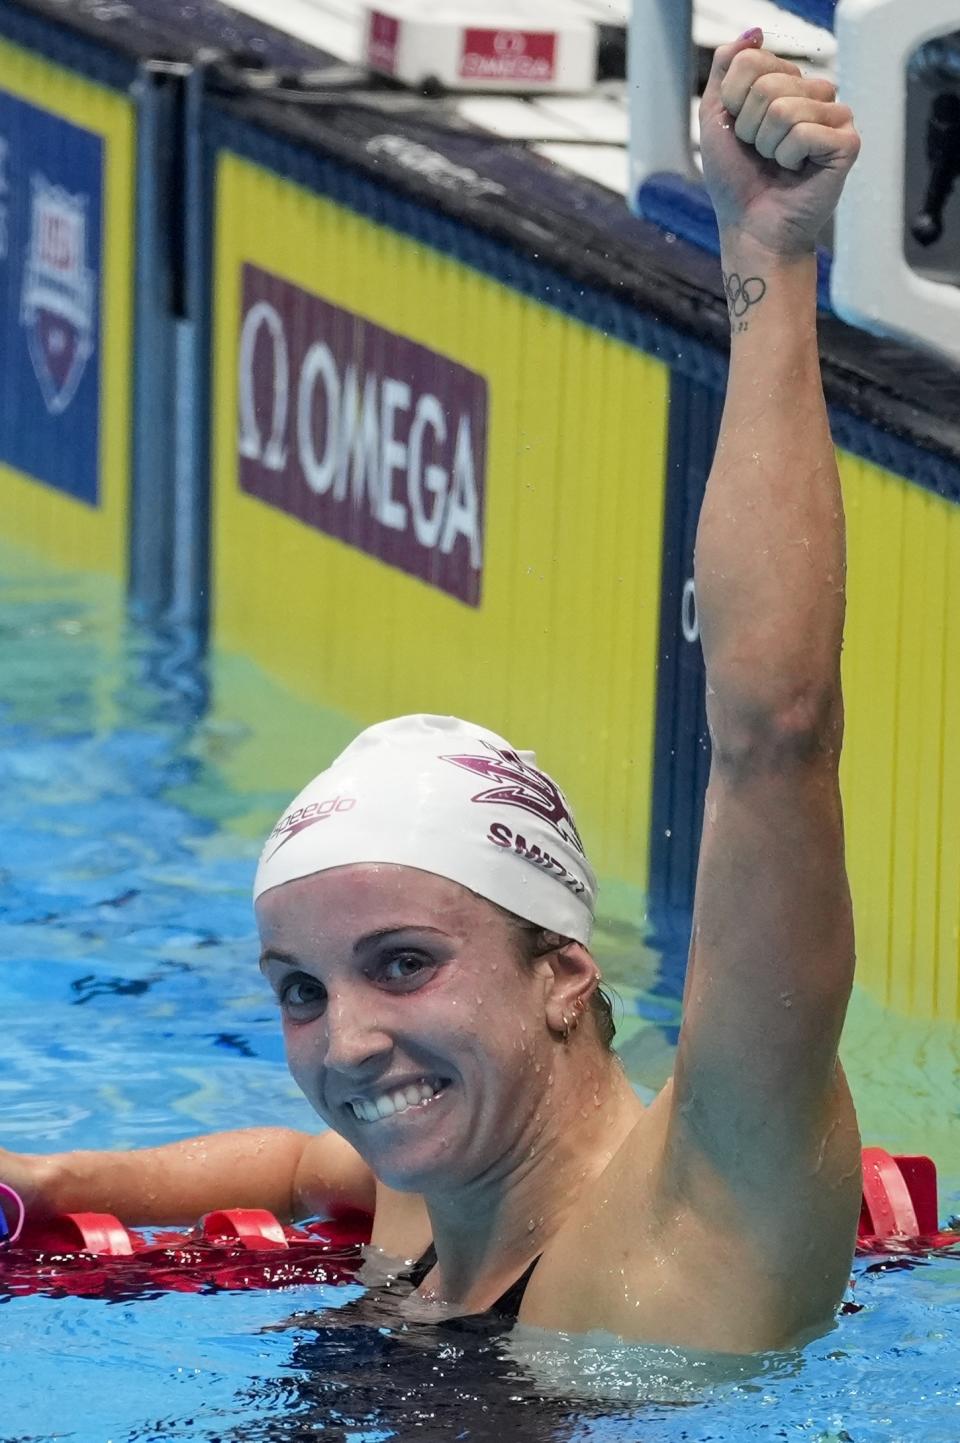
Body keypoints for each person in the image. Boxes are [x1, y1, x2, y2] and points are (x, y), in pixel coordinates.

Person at [0, 32, 863, 1352]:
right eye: (301, 990)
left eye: (402, 966)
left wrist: (770, 257)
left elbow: (778, 729)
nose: (347, 1044)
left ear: (565, 973)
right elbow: (302, 1174)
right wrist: (53, 1185)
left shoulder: (695, 1224)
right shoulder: (433, 1175)